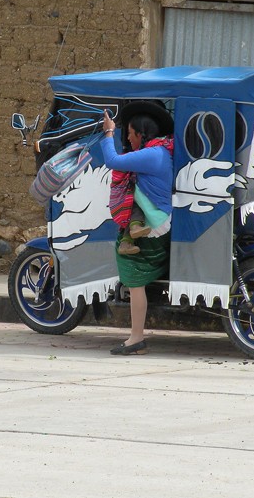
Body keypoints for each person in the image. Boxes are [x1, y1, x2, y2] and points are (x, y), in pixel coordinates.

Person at [100, 104, 174, 355]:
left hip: (153, 225)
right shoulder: (163, 151)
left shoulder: (153, 154)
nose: (128, 138)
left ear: (142, 134)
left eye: (131, 134)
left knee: (134, 277)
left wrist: (108, 132)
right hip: (160, 221)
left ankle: (136, 338)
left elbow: (112, 161)